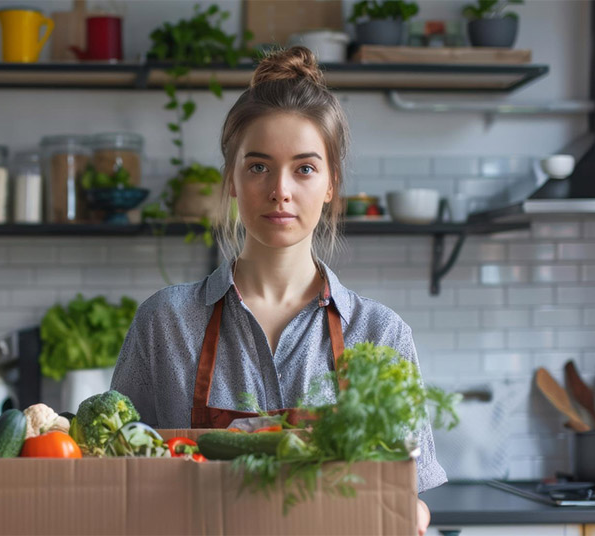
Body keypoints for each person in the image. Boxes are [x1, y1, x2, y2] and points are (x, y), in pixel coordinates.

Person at [111, 46, 446, 535]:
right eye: (259, 166)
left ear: (331, 183)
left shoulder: (381, 334)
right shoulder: (165, 322)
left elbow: (403, 493)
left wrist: (412, 513)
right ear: (231, 178)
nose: (280, 190)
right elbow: (114, 470)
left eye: (305, 168)